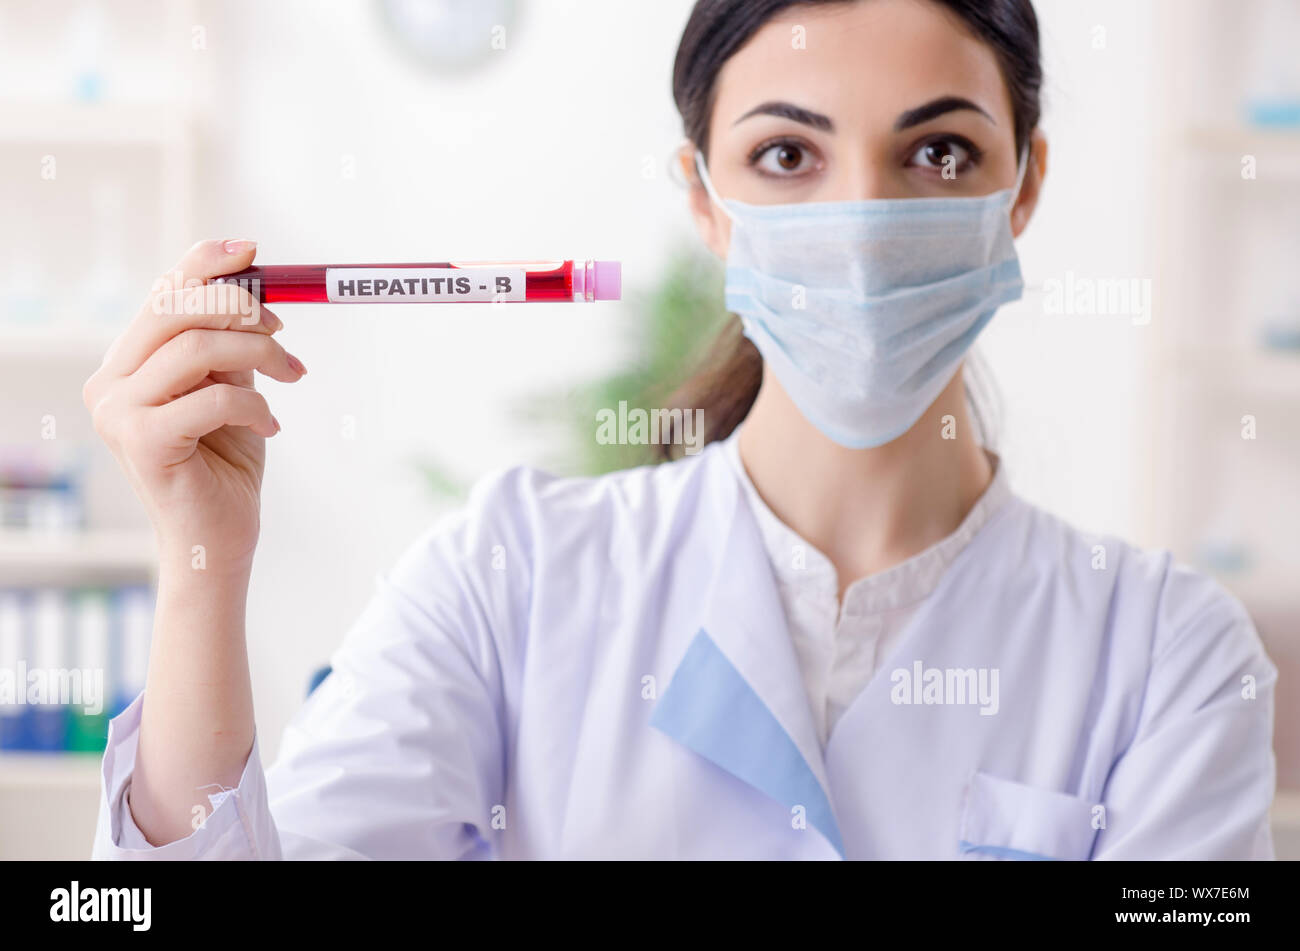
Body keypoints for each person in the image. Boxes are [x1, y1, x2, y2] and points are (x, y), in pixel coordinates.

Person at [85, 0, 1277, 860]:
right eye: (785, 155)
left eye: (936, 150)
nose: (859, 221)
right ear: (704, 198)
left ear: (1021, 189)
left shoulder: (1171, 657)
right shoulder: (510, 578)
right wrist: (205, 566)